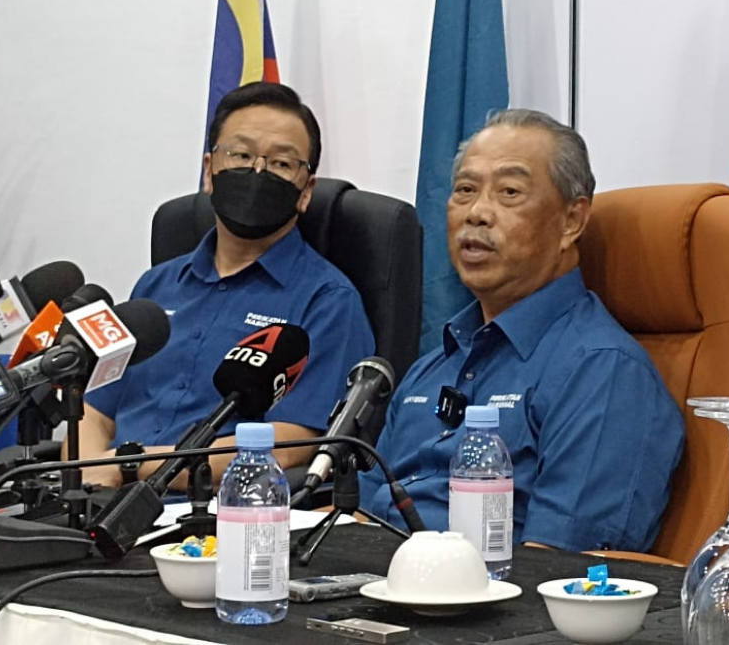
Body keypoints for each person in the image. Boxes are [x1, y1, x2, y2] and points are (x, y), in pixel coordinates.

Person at [360, 109, 684, 552]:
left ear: (572, 221)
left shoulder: (602, 370)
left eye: (509, 192)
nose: (477, 213)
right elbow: (357, 517)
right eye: (465, 190)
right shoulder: (432, 365)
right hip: (369, 592)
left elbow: (561, 568)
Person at [76, 83, 375, 489]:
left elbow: (293, 444)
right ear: (209, 172)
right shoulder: (155, 285)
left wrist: (132, 467)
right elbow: (93, 413)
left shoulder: (327, 301)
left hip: (217, 519)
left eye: (282, 164)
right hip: (103, 504)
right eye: (240, 155)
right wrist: (87, 480)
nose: (257, 172)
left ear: (306, 192)